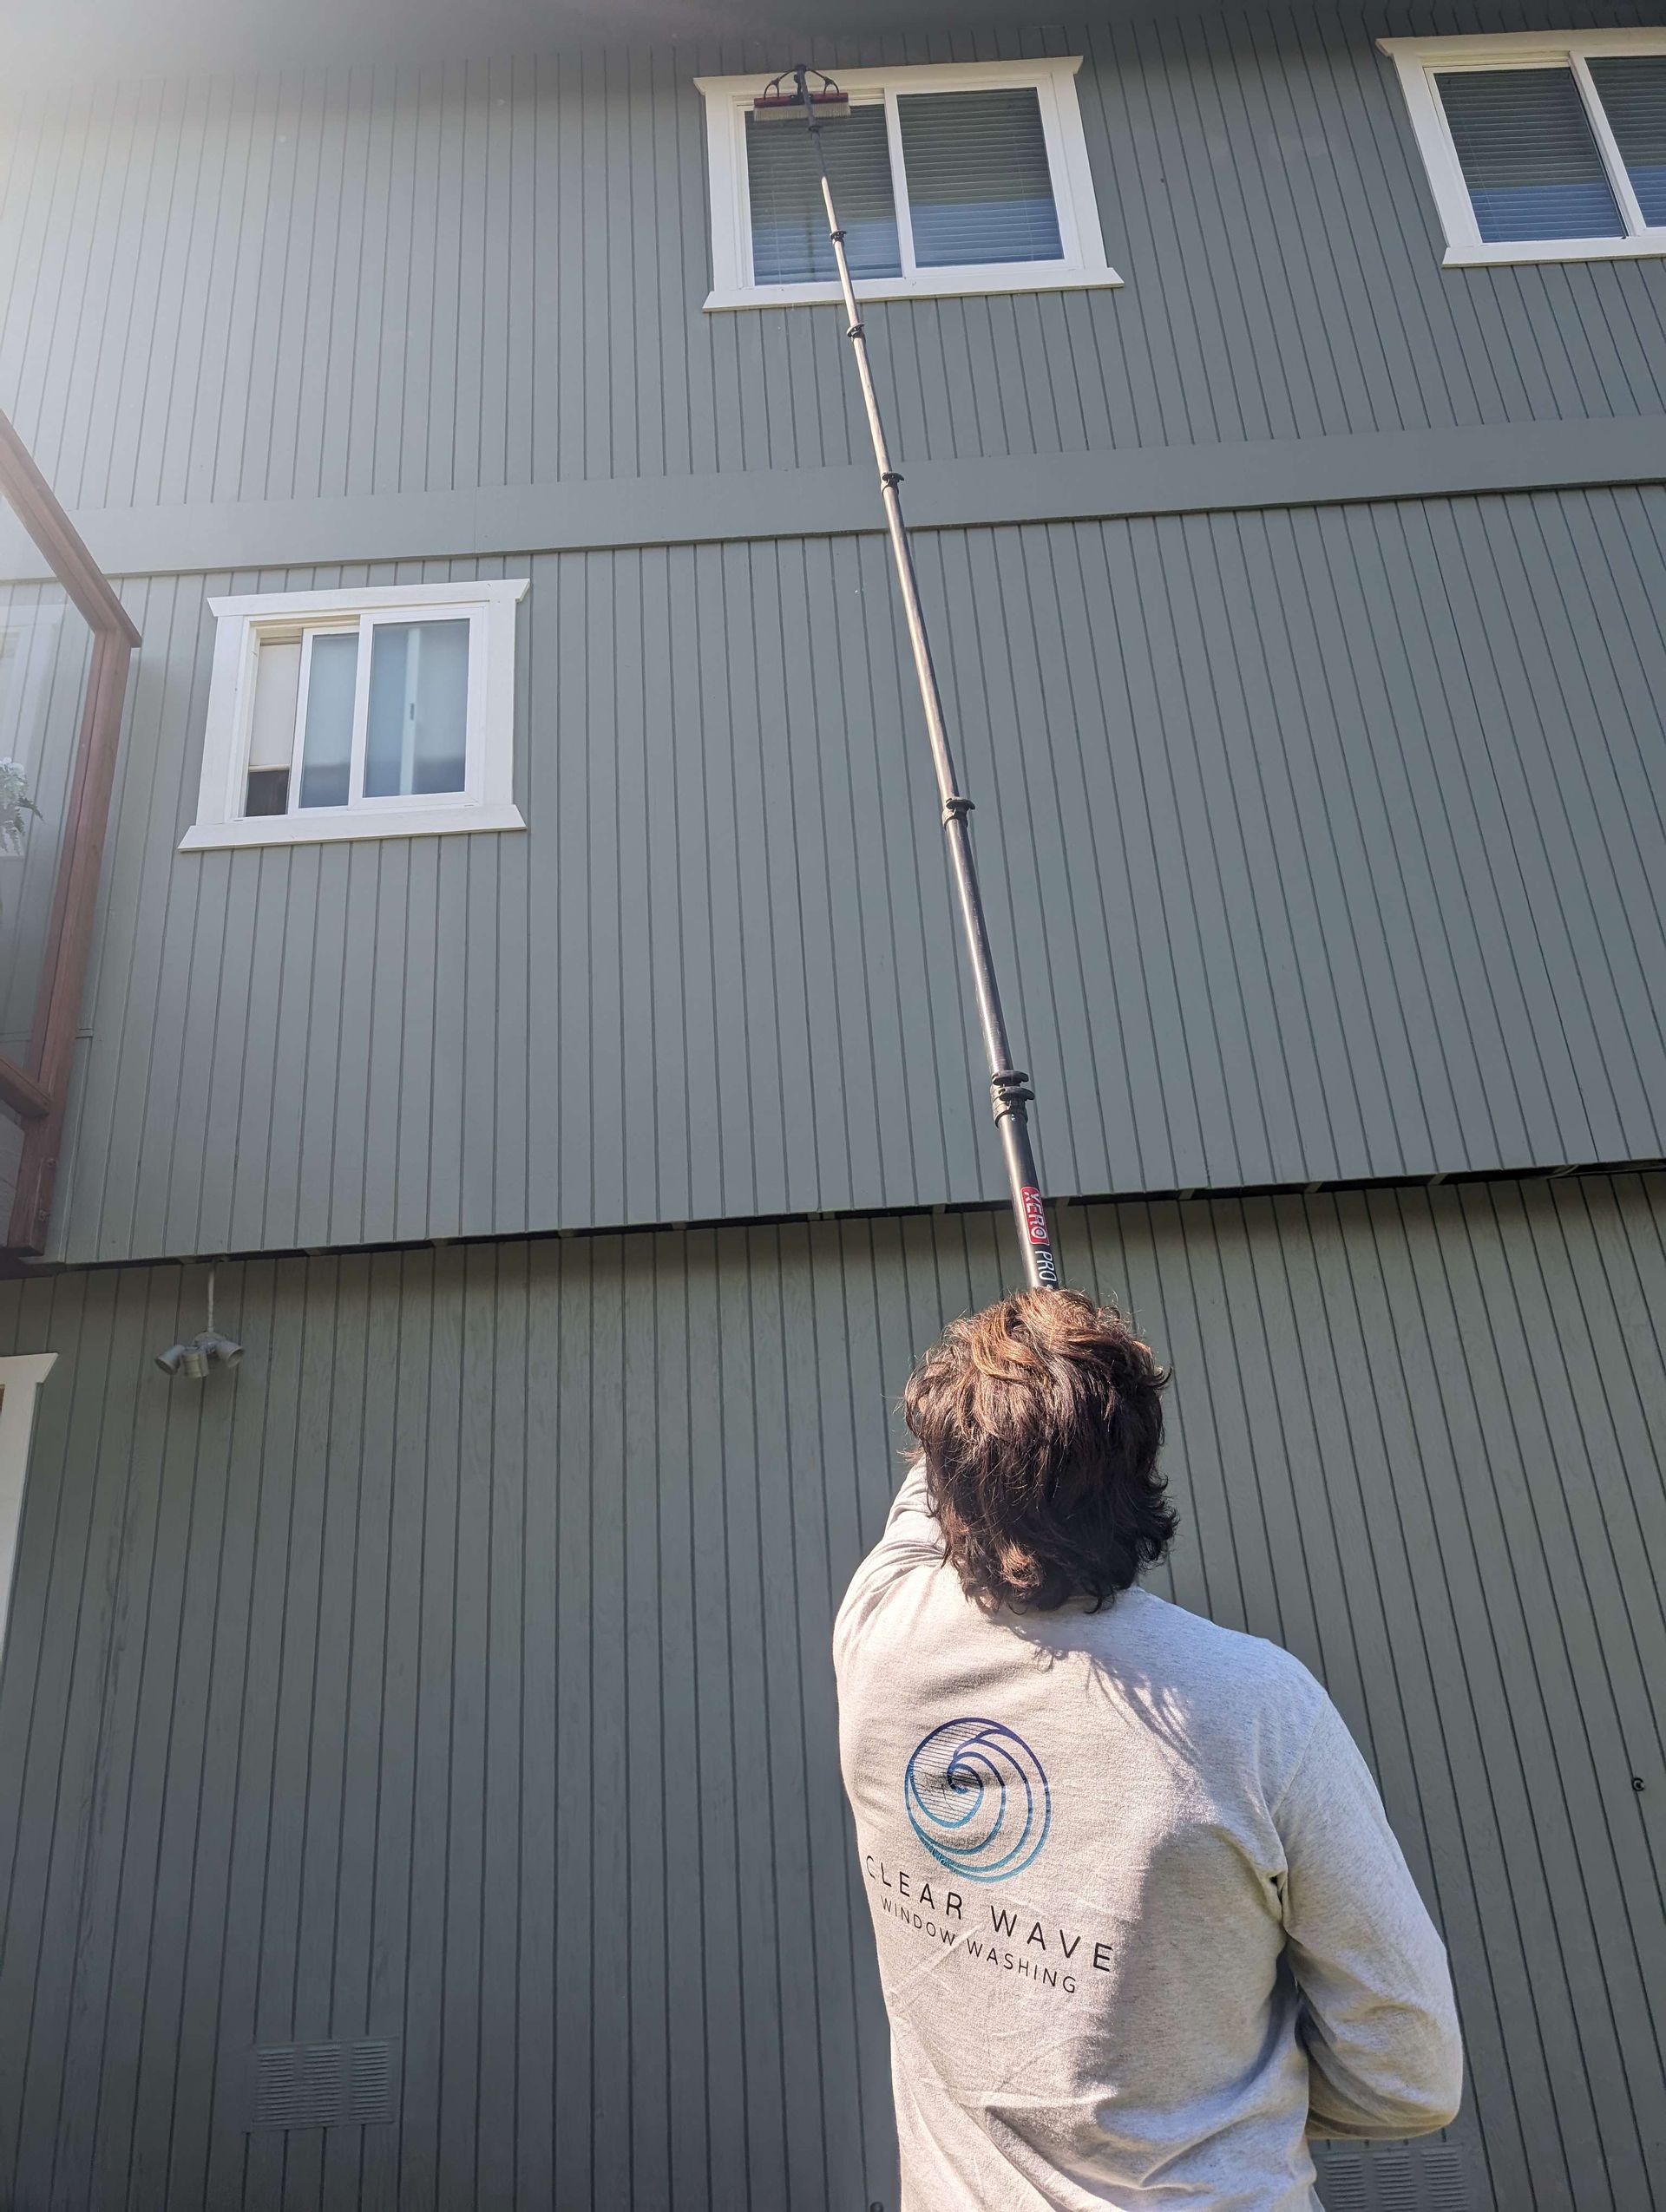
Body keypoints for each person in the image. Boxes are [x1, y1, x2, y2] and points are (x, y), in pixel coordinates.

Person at [834, 1286, 1463, 2211]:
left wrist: (1024, 1377)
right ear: (1139, 1467)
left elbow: (936, 1484)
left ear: (945, 1471)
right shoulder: (1256, 1708)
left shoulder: (880, 1637)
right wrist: (1226, 2098)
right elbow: (1411, 2077)